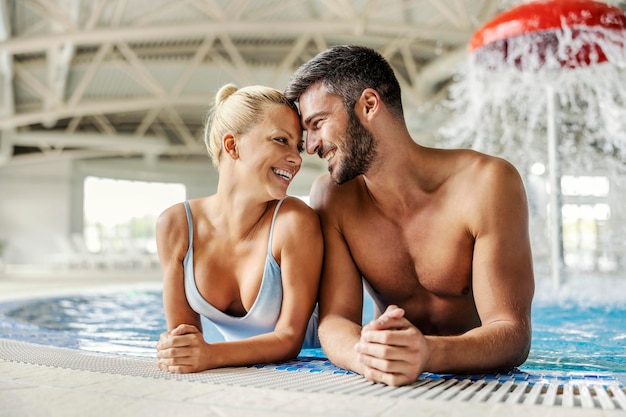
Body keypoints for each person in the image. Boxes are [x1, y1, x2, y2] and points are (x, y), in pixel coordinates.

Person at [284, 45, 535, 386]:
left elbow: (512, 332)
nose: (311, 146)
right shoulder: (334, 197)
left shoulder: (486, 184)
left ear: (369, 105)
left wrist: (427, 354)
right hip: (393, 378)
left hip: (480, 380)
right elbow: (335, 320)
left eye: (317, 124)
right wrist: (370, 357)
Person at [155, 84, 323, 373]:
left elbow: (290, 339)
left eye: (297, 147)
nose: (297, 159)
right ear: (232, 146)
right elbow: (185, 337)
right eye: (281, 140)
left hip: (316, 366)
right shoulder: (176, 226)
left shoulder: (294, 222)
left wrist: (210, 355)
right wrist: (177, 349)